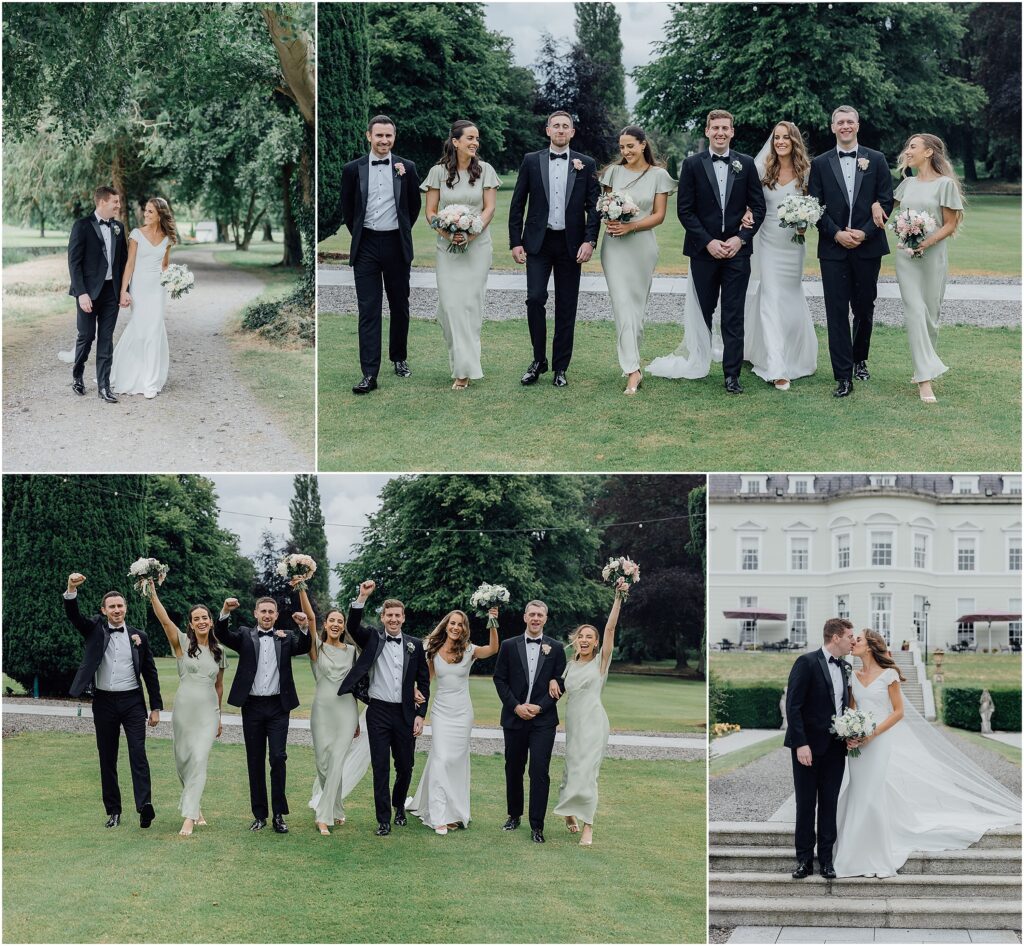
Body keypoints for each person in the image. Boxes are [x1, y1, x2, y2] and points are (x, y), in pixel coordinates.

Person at [833, 629, 1021, 877]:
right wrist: (851, 734)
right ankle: (852, 851)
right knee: (858, 790)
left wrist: (873, 733)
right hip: (859, 743)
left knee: (871, 792)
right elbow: (852, 711)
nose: (853, 642)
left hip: (878, 741)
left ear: (870, 647)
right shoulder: (853, 676)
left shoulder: (889, 675)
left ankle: (875, 855)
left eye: (858, 640)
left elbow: (898, 712)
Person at [508, 110, 600, 387]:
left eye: (565, 126)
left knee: (566, 306)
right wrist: (515, 241)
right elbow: (517, 204)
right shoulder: (531, 161)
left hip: (572, 245)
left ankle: (560, 367)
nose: (560, 130)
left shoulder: (586, 163)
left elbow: (594, 207)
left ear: (572, 132)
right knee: (535, 299)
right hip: (538, 242)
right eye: (556, 126)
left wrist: (590, 240)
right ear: (547, 130)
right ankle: (538, 360)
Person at [63, 572, 162, 828]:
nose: (117, 610)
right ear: (104, 610)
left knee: (138, 753)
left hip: (132, 702)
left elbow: (150, 673)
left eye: (120, 606)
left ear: (126, 608)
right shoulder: (95, 628)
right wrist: (71, 589)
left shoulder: (139, 636)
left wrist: (156, 707)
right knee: (107, 756)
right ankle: (114, 811)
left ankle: (144, 807)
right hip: (104, 702)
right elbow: (74, 616)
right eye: (112, 607)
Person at [808, 105, 894, 398]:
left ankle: (860, 358)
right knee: (836, 311)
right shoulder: (819, 163)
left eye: (850, 122)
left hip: (868, 247)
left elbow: (886, 201)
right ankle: (843, 376)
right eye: (840, 122)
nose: (845, 126)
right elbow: (814, 206)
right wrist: (836, 233)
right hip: (833, 249)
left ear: (857, 126)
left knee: (864, 307)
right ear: (832, 128)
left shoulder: (877, 159)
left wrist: (865, 232)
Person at [337, 581, 431, 836]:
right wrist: (362, 597)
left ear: (403, 618)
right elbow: (353, 626)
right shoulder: (373, 638)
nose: (393, 619)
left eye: (397, 615)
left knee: (406, 765)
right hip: (377, 711)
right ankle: (383, 820)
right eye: (389, 615)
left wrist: (421, 715)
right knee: (380, 767)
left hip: (405, 713)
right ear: (382, 617)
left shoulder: (415, 645)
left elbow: (423, 681)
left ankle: (399, 805)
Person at [339, 115, 421, 395]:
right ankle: (369, 374)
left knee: (400, 305)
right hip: (366, 247)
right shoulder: (353, 169)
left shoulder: (406, 168)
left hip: (397, 244)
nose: (384, 141)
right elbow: (348, 211)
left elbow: (414, 207)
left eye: (389, 136)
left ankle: (399, 358)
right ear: (368, 137)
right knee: (368, 310)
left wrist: (400, 231)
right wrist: (363, 235)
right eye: (379, 136)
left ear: (394, 137)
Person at [215, 595, 312, 833]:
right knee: (255, 760)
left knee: (278, 758)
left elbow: (305, 646)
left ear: (277, 616)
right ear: (256, 614)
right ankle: (260, 815)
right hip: (253, 707)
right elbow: (222, 635)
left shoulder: (286, 637)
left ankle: (279, 815)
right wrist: (225, 611)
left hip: (279, 707)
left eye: (271, 612)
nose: (267, 615)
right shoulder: (245, 636)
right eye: (263, 611)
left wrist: (304, 627)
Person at [881, 133, 964, 403]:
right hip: (906, 258)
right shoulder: (906, 184)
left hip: (933, 257)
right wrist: (873, 205)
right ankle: (924, 380)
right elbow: (886, 210)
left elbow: (950, 224)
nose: (907, 151)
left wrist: (926, 242)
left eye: (913, 147)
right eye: (907, 147)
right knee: (915, 312)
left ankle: (922, 367)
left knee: (930, 316)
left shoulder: (945, 185)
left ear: (928, 152)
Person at [420, 121, 500, 390]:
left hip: (477, 247)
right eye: (469, 138)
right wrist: (447, 233)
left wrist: (471, 233)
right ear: (455, 142)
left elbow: (489, 209)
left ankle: (463, 371)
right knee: (450, 306)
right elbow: (430, 212)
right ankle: (461, 361)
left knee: (470, 306)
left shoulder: (486, 170)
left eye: (477, 138)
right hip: (447, 248)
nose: (475, 142)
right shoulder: (437, 172)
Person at [407, 606, 500, 834]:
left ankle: (454, 811)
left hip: (462, 714)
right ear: (446, 625)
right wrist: (414, 690)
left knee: (456, 761)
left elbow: (493, 649)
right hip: (441, 712)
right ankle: (438, 815)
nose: (456, 627)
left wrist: (492, 622)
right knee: (441, 758)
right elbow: (426, 679)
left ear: (464, 628)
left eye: (460, 624)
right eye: (453, 623)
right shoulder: (433, 649)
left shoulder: (469, 650)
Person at [598, 126, 676, 395]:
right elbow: (604, 205)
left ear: (643, 145)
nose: (625, 151)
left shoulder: (659, 176)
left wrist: (632, 226)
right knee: (621, 305)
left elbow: (659, 215)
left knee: (637, 309)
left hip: (642, 246)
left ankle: (632, 357)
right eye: (621, 147)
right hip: (615, 247)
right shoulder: (612, 173)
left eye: (630, 146)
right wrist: (611, 217)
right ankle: (633, 369)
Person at [743, 122, 818, 390]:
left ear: (794, 141)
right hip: (768, 240)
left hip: (794, 244)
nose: (781, 142)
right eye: (777, 137)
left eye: (786, 137)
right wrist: (746, 212)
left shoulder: (806, 171)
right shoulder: (763, 168)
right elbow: (748, 199)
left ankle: (786, 353)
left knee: (789, 296)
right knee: (771, 297)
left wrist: (805, 220)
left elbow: (816, 205)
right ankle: (776, 365)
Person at [147, 581, 225, 836]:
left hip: (208, 714)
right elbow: (164, 620)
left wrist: (220, 717)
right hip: (183, 711)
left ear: (211, 621)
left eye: (205, 617)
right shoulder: (182, 643)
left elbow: (219, 687)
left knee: (200, 759)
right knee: (183, 761)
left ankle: (189, 818)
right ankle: (197, 807)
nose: (201, 621)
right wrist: (153, 594)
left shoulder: (219, 652)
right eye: (196, 619)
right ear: (190, 624)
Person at [553, 578, 626, 846]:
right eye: (580, 637)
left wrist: (618, 596)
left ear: (596, 644)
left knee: (588, 772)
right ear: (576, 641)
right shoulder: (570, 666)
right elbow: (558, 688)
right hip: (574, 722)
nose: (584, 640)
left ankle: (588, 825)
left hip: (594, 723)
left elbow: (610, 628)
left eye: (589, 637)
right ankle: (568, 811)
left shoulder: (600, 663)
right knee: (571, 769)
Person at [783, 617, 854, 879]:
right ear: (835, 637)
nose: (852, 641)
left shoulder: (846, 666)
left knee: (829, 804)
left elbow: (844, 707)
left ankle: (826, 860)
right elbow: (794, 705)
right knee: (805, 805)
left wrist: (851, 732)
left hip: (836, 749)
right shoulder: (807, 662)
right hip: (807, 748)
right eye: (849, 636)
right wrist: (801, 743)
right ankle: (804, 860)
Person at [493, 599, 568, 843]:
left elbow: (560, 682)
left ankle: (537, 825)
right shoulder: (508, 645)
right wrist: (516, 706)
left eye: (540, 615)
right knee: (513, 768)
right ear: (525, 617)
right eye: (532, 614)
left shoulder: (556, 648)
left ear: (545, 619)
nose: (536, 618)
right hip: (514, 718)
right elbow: (499, 679)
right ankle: (514, 815)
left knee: (539, 771)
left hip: (543, 721)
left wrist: (540, 707)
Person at [292, 580, 363, 836]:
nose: (336, 624)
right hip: (321, 711)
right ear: (325, 625)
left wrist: (356, 721)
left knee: (336, 762)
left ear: (343, 627)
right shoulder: (316, 648)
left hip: (346, 711)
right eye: (331, 620)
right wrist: (301, 586)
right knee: (323, 762)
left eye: (340, 621)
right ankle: (338, 807)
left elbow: (355, 686)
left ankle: (325, 816)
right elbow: (309, 617)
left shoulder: (353, 651)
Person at [67, 185, 129, 403]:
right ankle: (77, 375)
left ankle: (104, 385)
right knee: (86, 336)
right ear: (103, 202)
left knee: (106, 338)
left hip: (111, 293)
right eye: (115, 202)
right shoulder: (81, 226)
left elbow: (122, 263)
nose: (118, 206)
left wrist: (124, 291)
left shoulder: (118, 228)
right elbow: (74, 263)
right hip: (88, 293)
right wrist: (81, 293)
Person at [109, 197, 176, 399]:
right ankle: (126, 372)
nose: (145, 215)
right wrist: (123, 291)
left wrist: (174, 280)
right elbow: (129, 264)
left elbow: (164, 266)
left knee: (155, 330)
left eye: (150, 212)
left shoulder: (167, 238)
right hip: (139, 288)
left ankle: (151, 382)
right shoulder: (136, 234)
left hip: (157, 289)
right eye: (145, 211)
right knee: (140, 330)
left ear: (160, 215)